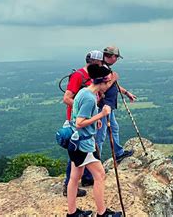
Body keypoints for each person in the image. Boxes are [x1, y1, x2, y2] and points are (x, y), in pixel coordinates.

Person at [67, 63, 122, 217]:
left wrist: (93, 118)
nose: (109, 85)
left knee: (74, 177)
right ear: (102, 82)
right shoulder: (90, 98)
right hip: (84, 144)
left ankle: (72, 213)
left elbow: (78, 116)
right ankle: (102, 213)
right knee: (100, 176)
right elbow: (79, 122)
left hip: (75, 141)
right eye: (108, 82)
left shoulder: (83, 92)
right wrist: (101, 115)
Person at [62, 50, 104, 197]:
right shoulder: (78, 76)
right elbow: (66, 98)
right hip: (76, 123)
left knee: (84, 152)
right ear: (95, 63)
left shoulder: (89, 77)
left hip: (85, 122)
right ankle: (68, 185)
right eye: (100, 63)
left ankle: (86, 178)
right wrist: (85, 111)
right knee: (76, 153)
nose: (102, 65)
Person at [95, 46, 136, 162]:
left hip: (108, 106)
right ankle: (95, 163)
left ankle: (118, 153)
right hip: (103, 106)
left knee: (114, 128)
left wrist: (127, 93)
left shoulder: (106, 68)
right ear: (112, 56)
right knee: (100, 135)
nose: (116, 60)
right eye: (116, 57)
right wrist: (113, 78)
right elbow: (101, 89)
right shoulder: (102, 69)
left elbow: (113, 86)